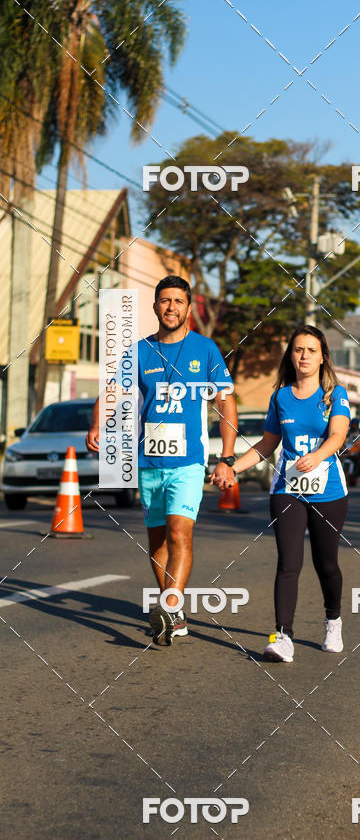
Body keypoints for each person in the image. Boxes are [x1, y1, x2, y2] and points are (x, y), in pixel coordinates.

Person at [86, 276, 237, 645]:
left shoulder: (205, 350)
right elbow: (114, 392)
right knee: (157, 541)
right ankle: (176, 615)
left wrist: (227, 457)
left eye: (178, 301)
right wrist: (96, 425)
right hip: (148, 462)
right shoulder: (138, 351)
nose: (171, 307)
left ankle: (169, 606)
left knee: (179, 532)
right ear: (155, 307)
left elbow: (226, 401)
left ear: (189, 308)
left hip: (188, 462)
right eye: (165, 301)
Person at [219, 325, 350, 663]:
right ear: (290, 356)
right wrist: (233, 468)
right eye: (298, 350)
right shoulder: (280, 396)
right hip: (287, 489)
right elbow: (267, 444)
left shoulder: (335, 395)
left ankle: (333, 621)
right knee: (288, 562)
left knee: (327, 565)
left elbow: (338, 435)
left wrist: (318, 456)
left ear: (323, 357)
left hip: (328, 490)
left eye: (311, 350)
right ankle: (283, 637)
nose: (303, 356)